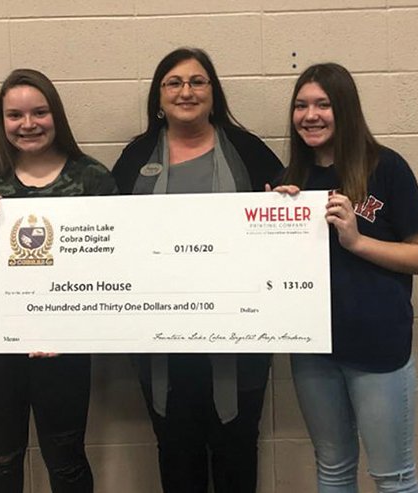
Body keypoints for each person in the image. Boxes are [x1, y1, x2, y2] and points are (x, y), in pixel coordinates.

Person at [112, 47, 283, 493]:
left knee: (238, 448)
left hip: (241, 338)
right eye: (174, 82)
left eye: (197, 81)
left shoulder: (249, 151)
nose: (186, 91)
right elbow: (107, 240)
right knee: (175, 449)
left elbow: (287, 231)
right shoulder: (134, 158)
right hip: (159, 341)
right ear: (158, 96)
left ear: (213, 92)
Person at [0, 68, 117, 492]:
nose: (28, 124)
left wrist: (71, 324)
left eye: (39, 112)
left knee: (66, 455)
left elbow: (115, 260)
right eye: (15, 115)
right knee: (1, 455)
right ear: (2, 122)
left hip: (65, 329)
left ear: (55, 115)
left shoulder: (92, 178)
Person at [275, 63, 418, 492]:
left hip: (379, 350)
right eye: (301, 105)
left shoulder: (387, 168)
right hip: (314, 349)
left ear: (344, 109)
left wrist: (358, 241)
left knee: (393, 477)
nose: (310, 115)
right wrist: (271, 220)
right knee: (333, 469)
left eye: (323, 104)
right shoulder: (293, 179)